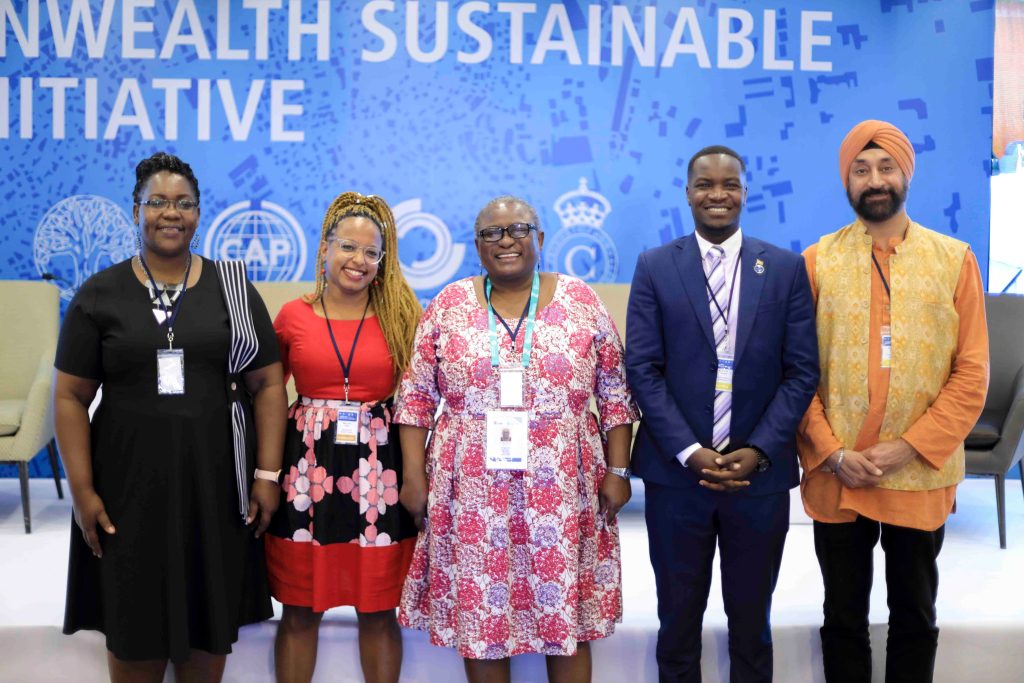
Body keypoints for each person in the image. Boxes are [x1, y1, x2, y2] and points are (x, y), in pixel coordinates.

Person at [53, 152, 287, 682]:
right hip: (126, 492)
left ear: (199, 213)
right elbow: (69, 396)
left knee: (208, 629)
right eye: (156, 201)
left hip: (215, 491)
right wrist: (83, 491)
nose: (170, 212)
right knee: (133, 628)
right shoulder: (100, 293)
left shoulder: (232, 288)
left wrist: (266, 475)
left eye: (183, 203)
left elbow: (268, 383)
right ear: (135, 210)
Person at [395, 195, 638, 683]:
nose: (506, 241)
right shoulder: (448, 304)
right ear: (478, 247)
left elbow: (615, 394)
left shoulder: (582, 301)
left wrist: (618, 471)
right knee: (483, 616)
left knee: (564, 615)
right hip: (471, 495)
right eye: (492, 233)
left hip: (563, 492)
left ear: (540, 239)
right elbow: (416, 398)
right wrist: (413, 477)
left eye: (518, 229)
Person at [797, 120, 989, 683]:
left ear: (907, 173)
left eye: (886, 167)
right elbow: (797, 373)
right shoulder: (817, 261)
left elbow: (972, 372)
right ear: (846, 181)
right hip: (839, 474)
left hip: (919, 474)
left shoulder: (954, 259)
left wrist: (909, 447)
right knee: (842, 617)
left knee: (915, 616)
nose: (874, 180)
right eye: (861, 169)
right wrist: (831, 452)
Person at [626, 145, 820, 682]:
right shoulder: (656, 266)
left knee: (752, 622)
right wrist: (690, 451)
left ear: (744, 191)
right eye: (705, 185)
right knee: (678, 622)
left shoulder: (783, 268)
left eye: (729, 184)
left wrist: (757, 450)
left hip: (757, 480)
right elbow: (642, 368)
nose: (718, 194)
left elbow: (802, 371)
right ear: (688, 194)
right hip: (677, 478)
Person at [264, 192, 422, 683]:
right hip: (305, 472)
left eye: (372, 253)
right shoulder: (293, 315)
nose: (359, 261)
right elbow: (267, 394)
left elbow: (420, 400)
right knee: (299, 608)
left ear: (384, 260)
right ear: (325, 249)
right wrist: (264, 473)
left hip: (381, 474)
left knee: (377, 610)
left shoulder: (403, 314)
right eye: (348, 247)